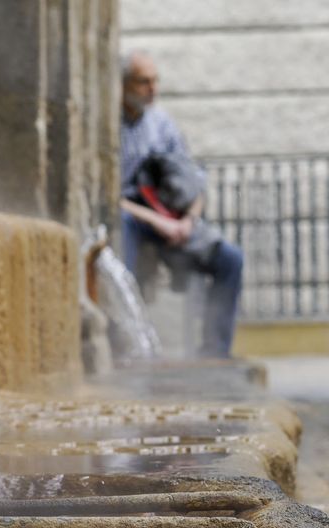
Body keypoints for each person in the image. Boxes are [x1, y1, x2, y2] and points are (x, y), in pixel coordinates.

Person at [119, 51, 242, 358]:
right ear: (123, 86)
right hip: (135, 217)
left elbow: (193, 180)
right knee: (121, 237)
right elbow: (110, 195)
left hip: (173, 216)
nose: (152, 88)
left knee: (230, 260)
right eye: (143, 82)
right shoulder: (110, 126)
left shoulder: (162, 123)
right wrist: (158, 222)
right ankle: (124, 349)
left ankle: (216, 352)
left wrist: (188, 220)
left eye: (155, 81)